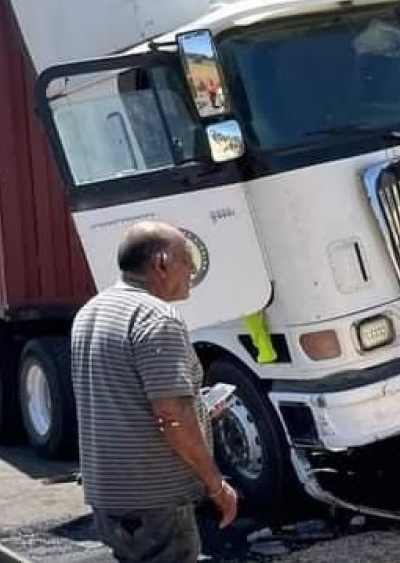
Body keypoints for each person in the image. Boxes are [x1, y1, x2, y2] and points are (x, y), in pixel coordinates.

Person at [71, 222, 237, 563]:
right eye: (188, 260)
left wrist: (198, 408)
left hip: (108, 494)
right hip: (155, 499)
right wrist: (217, 486)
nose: (192, 271)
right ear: (161, 263)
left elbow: (119, 395)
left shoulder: (92, 311)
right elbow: (172, 418)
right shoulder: (158, 318)